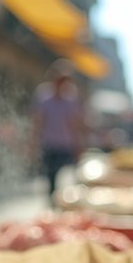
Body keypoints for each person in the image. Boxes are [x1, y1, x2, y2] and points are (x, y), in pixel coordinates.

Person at [33, 60, 85, 200]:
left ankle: (66, 202)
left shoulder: (71, 99)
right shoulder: (44, 97)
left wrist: (78, 145)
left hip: (66, 145)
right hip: (50, 144)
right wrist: (33, 143)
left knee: (67, 179)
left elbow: (75, 125)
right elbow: (38, 122)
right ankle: (53, 204)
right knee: (51, 180)